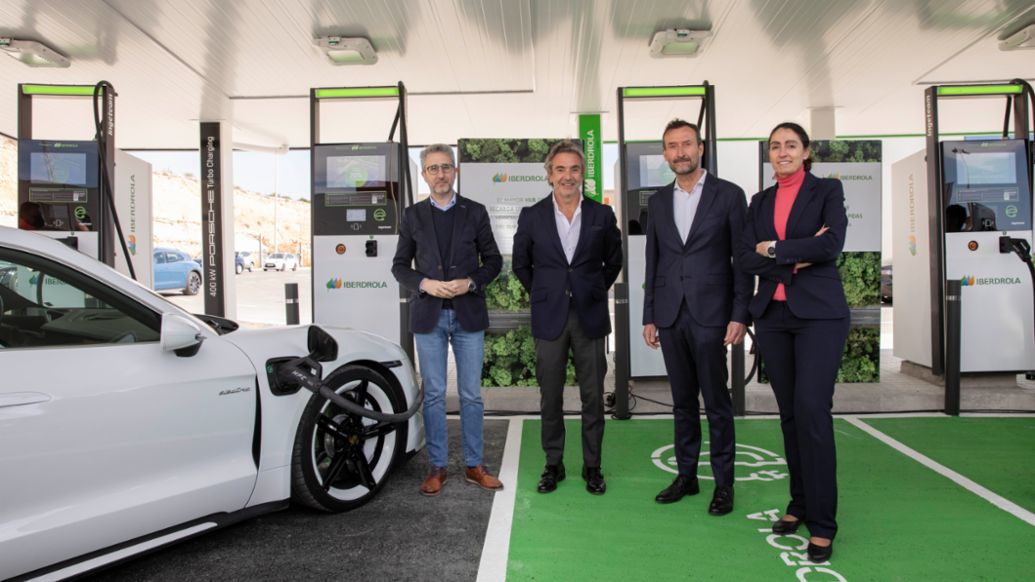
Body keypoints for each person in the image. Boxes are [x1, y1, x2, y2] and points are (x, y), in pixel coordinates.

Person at [738, 122, 849, 562]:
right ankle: (799, 504)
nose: (782, 152)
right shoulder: (759, 201)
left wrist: (775, 249)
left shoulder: (826, 192)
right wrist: (794, 252)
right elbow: (746, 255)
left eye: (790, 145)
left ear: (805, 152)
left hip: (819, 316)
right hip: (773, 317)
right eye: (775, 146)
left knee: (812, 412)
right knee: (789, 416)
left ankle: (823, 523)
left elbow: (833, 245)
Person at [642, 119, 751, 515]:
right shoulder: (656, 201)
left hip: (713, 315)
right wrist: (649, 314)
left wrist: (741, 312)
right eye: (672, 146)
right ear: (665, 153)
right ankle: (686, 475)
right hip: (670, 315)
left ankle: (724, 484)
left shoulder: (729, 195)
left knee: (717, 402)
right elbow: (653, 260)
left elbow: (742, 260)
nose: (679, 152)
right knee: (682, 402)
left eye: (686, 144)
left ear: (700, 148)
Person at [392, 143, 504, 496]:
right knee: (436, 395)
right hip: (429, 317)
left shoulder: (475, 212)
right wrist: (423, 283)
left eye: (445, 167)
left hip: (468, 314)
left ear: (455, 171)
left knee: (471, 395)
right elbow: (399, 266)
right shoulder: (412, 216)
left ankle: (474, 465)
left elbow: (494, 261)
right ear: (424, 175)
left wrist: (469, 283)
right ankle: (438, 467)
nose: (440, 174)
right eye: (432, 168)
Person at [513, 140, 622, 495]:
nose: (567, 176)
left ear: (583, 174)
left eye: (574, 169)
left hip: (590, 316)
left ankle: (593, 466)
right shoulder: (532, 216)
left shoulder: (602, 215)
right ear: (549, 174)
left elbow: (614, 261)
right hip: (550, 317)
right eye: (560, 169)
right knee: (551, 395)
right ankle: (553, 464)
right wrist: (545, 294)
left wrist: (591, 290)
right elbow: (521, 265)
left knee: (593, 395)